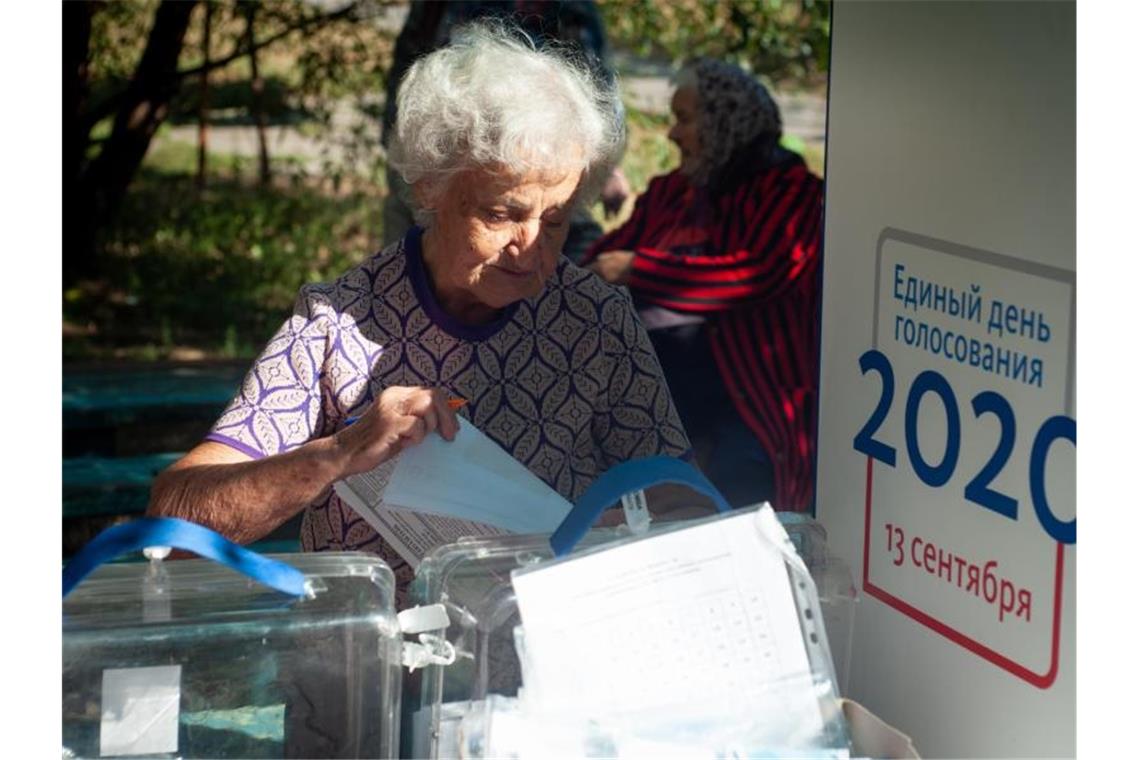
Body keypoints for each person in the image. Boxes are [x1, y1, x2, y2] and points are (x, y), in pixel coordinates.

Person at [147, 23, 691, 604]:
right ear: (431, 185)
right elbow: (177, 521)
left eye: (554, 221)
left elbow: (684, 497)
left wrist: (618, 534)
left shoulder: (595, 321)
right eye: (503, 213)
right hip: (367, 674)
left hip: (539, 675)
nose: (530, 248)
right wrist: (339, 453)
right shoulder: (340, 322)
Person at [585, 58, 824, 512]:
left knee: (736, 506)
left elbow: (760, 274)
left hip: (751, 403)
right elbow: (602, 256)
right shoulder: (674, 191)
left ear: (725, 121)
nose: (673, 134)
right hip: (655, 398)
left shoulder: (791, 194)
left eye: (685, 119)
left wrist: (640, 269)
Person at [380, 0, 630, 262]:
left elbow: (603, 96)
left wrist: (606, 165)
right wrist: (408, 155)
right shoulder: (447, 6)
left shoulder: (576, 12)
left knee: (567, 246)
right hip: (448, 160)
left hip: (546, 162)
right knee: (413, 257)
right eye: (497, 215)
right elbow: (406, 68)